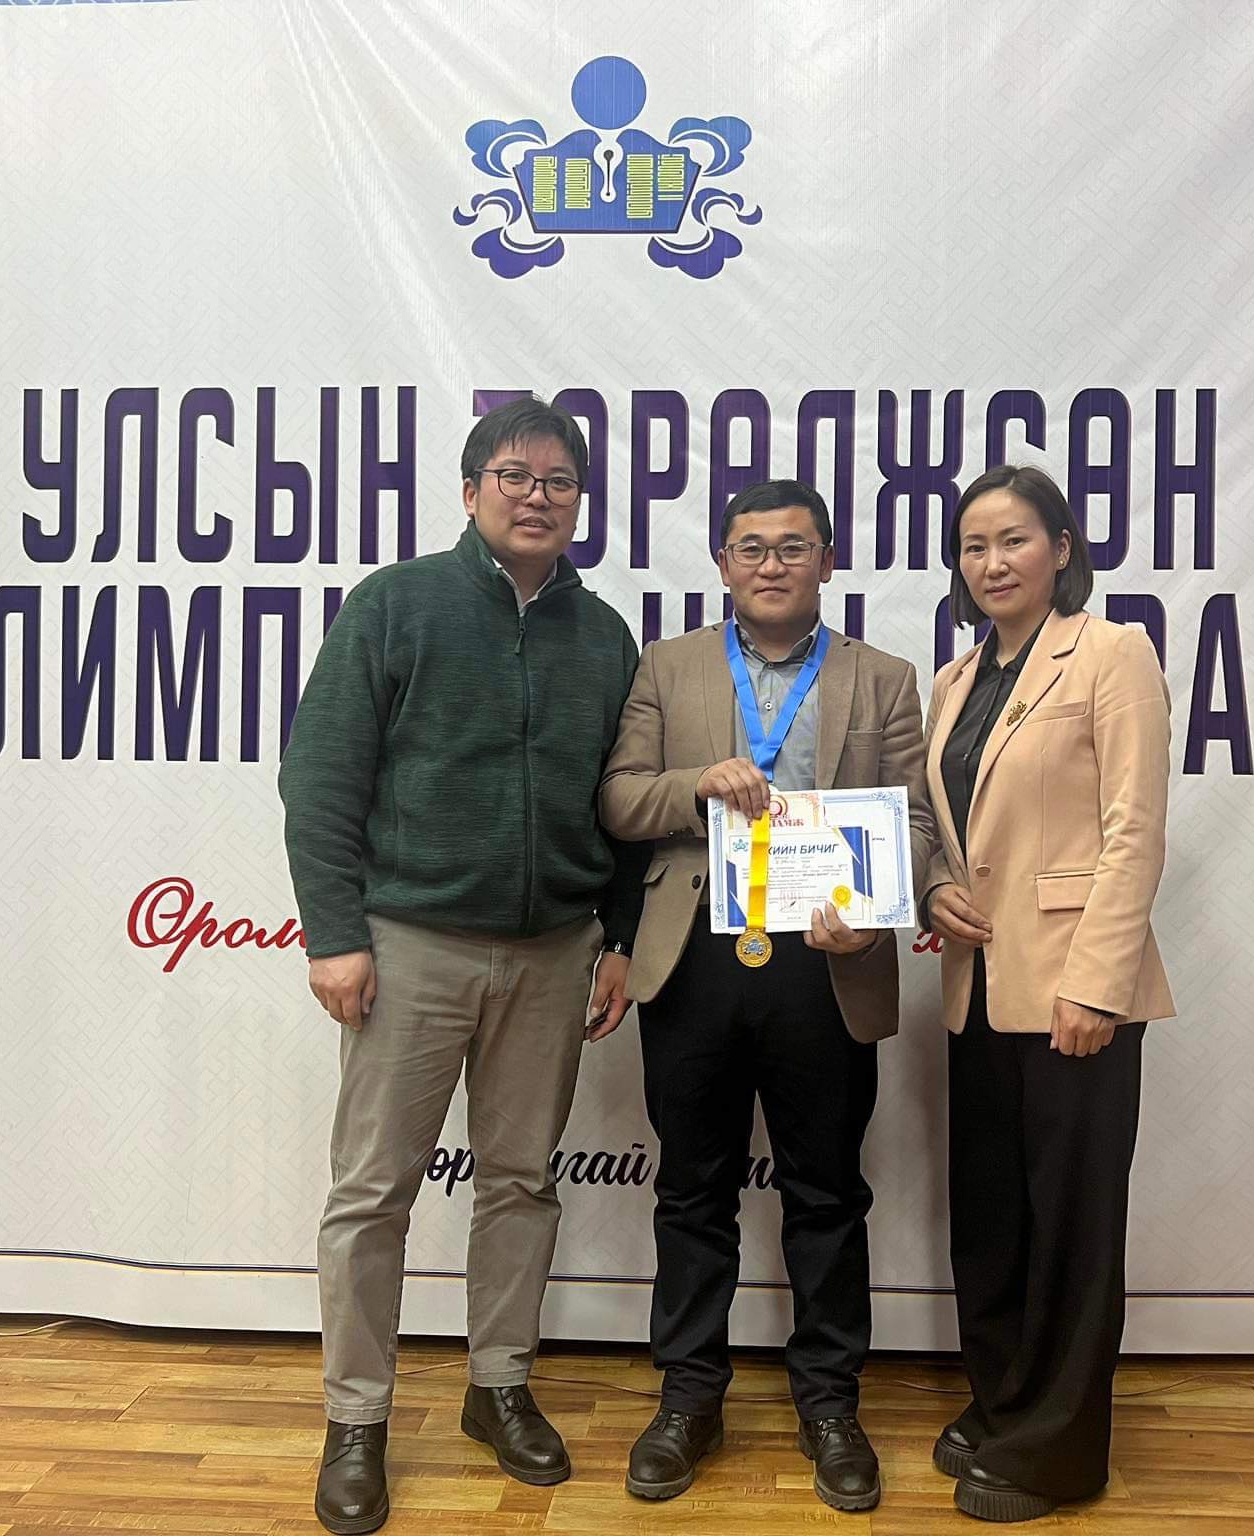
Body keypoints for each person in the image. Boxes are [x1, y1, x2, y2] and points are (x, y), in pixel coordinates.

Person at [279, 396, 646, 1536]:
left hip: (555, 952)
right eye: (515, 476)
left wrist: (620, 936)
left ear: (580, 502)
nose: (538, 497)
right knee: (371, 1193)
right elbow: (320, 776)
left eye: (559, 482)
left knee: (521, 1183)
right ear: (471, 489)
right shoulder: (396, 605)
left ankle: (498, 1387)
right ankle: (356, 1419)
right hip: (410, 947)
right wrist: (334, 934)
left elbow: (624, 804)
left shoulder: (604, 636)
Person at [598, 479, 933, 1514]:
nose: (771, 564)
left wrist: (871, 914)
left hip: (825, 961)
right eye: (751, 547)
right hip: (695, 956)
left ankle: (830, 1403)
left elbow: (918, 820)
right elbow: (618, 798)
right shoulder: (668, 667)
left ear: (827, 561)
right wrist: (696, 782)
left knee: (825, 1194)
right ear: (723, 564)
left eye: (793, 547)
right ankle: (688, 1397)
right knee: (691, 1189)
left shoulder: (883, 677)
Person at [919, 464, 1175, 1524]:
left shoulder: (1111, 653)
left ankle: (1061, 1452)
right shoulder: (953, 679)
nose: (992, 562)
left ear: (1061, 548)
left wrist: (1097, 984)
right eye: (973, 546)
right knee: (990, 1219)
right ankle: (1002, 1405)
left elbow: (1134, 831)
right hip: (975, 987)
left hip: (1075, 990)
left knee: (1070, 1228)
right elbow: (949, 831)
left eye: (1014, 539)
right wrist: (932, 887)